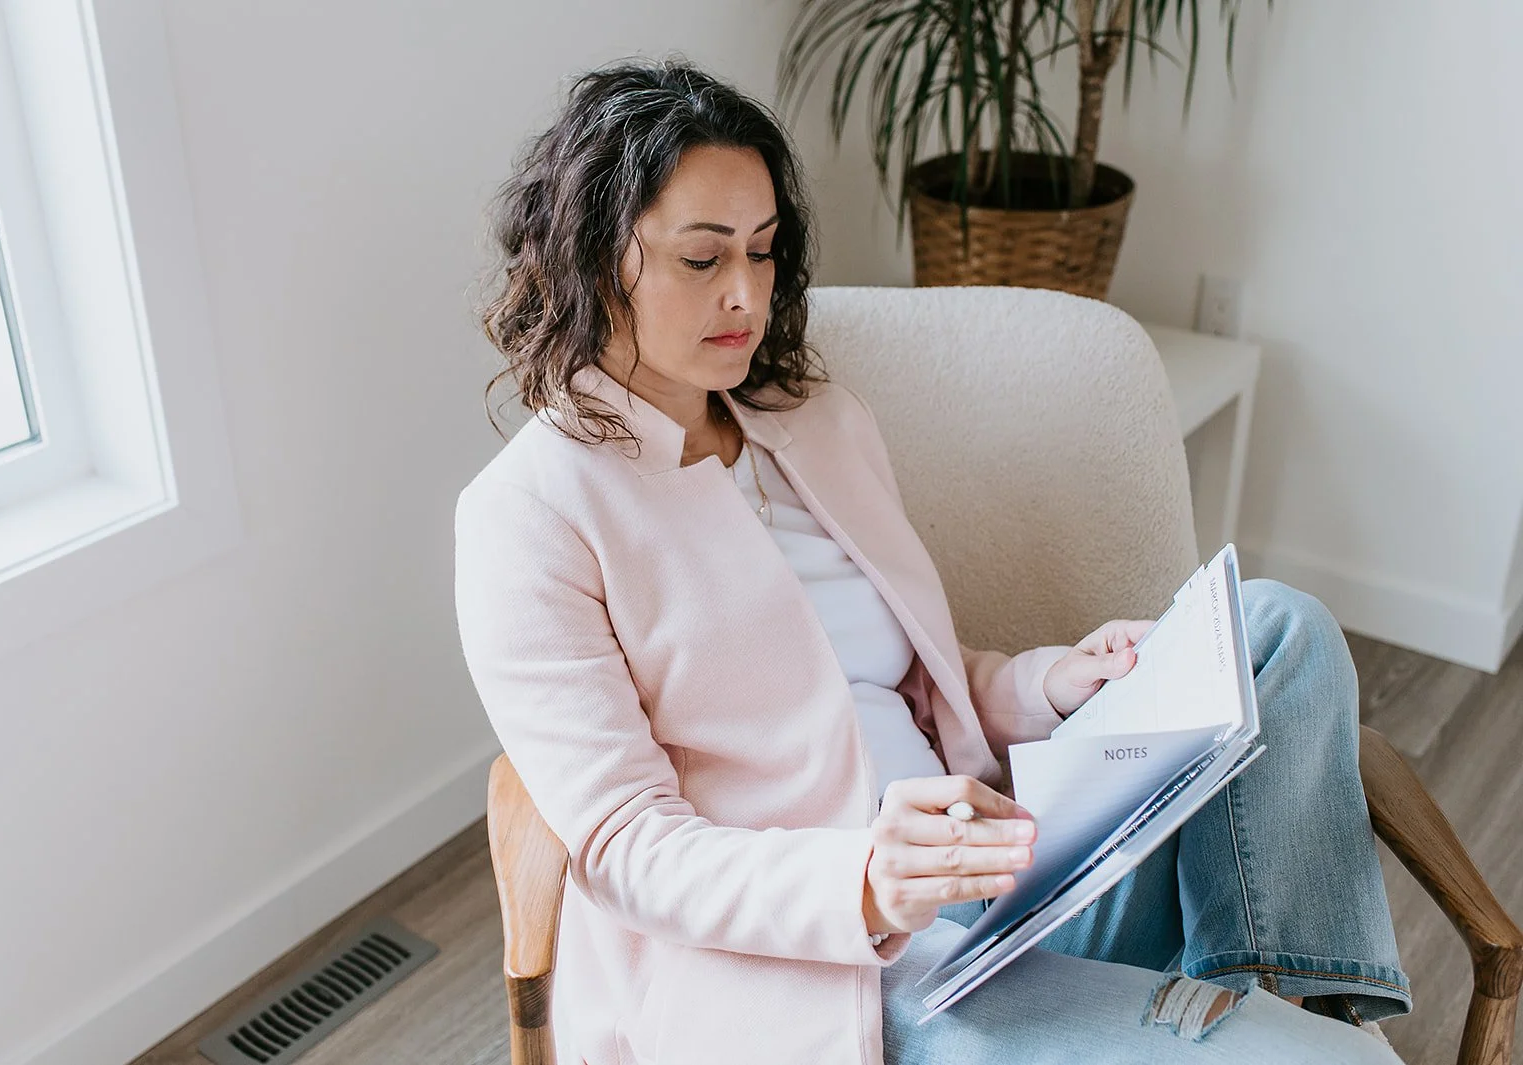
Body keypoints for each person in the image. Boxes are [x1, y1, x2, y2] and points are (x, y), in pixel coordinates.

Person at [455, 55, 1411, 1065]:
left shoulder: (808, 421)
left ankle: (1257, 1003)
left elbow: (910, 675)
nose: (747, 294)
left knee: (1273, 628)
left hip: (1003, 868)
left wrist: (1054, 680)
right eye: (703, 259)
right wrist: (866, 879)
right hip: (843, 972)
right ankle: (1249, 1028)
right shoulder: (529, 516)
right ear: (598, 258)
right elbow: (626, 849)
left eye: (765, 251)